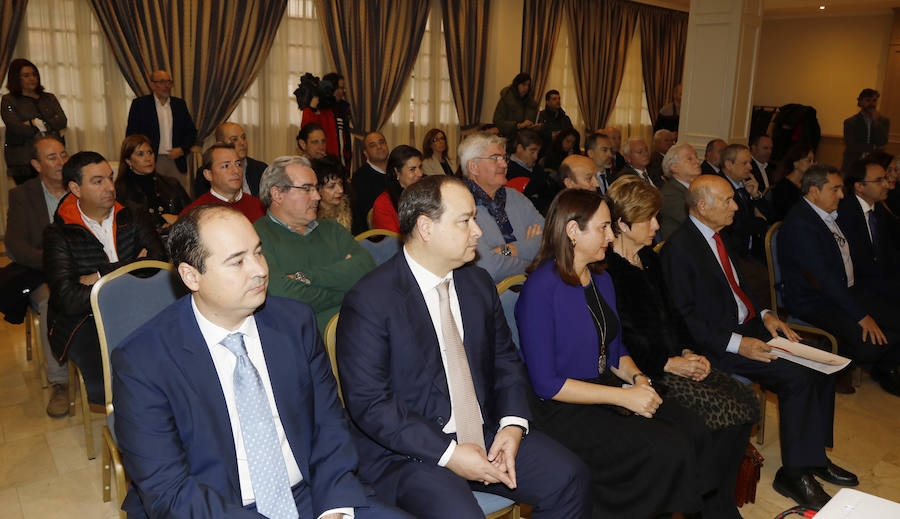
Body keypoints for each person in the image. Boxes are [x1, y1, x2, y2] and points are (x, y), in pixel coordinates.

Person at [112, 204, 408, 519]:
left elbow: (329, 424)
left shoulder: (294, 323)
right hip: (214, 509)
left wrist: (333, 508)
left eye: (258, 252)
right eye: (237, 261)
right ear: (191, 276)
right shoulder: (143, 360)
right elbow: (169, 491)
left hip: (313, 494)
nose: (259, 270)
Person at [337, 175, 592, 519]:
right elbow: (371, 404)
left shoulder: (476, 283)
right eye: (465, 221)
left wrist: (512, 424)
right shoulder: (370, 300)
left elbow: (505, 361)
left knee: (569, 478)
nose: (478, 231)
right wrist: (450, 455)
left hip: (483, 432)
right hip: (409, 451)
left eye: (475, 218)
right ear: (426, 228)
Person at [516, 188, 716, 518]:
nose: (611, 235)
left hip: (605, 386)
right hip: (560, 407)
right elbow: (546, 385)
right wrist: (623, 398)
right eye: (603, 228)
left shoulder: (601, 278)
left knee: (692, 428)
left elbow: (616, 349)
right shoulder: (540, 289)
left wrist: (639, 379)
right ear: (572, 231)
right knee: (666, 449)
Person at [662, 174, 856, 509]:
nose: (735, 206)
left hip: (751, 325)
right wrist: (740, 344)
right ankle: (794, 475)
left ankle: (813, 458)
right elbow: (686, 319)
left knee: (822, 360)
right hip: (719, 343)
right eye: (727, 200)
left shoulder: (720, 235)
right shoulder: (680, 249)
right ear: (703, 205)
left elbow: (738, 285)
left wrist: (766, 313)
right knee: (797, 377)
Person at [604, 177, 758, 519]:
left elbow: (674, 313)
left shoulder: (648, 257)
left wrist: (687, 350)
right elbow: (620, 338)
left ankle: (718, 500)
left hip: (674, 358)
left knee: (744, 402)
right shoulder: (606, 270)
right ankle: (706, 507)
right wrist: (669, 363)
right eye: (649, 219)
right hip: (645, 370)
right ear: (622, 224)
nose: (657, 226)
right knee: (715, 417)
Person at [44, 151, 164, 405]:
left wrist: (98, 276)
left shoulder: (133, 215)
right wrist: (131, 268)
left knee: (173, 364)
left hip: (140, 310)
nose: (110, 187)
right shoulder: (59, 233)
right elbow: (68, 299)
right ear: (75, 188)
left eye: (110, 178)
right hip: (85, 320)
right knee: (109, 384)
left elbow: (158, 268)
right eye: (98, 181)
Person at [779, 164, 900, 398]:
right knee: (872, 344)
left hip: (845, 290)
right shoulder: (801, 224)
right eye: (835, 189)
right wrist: (861, 316)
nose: (842, 195)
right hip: (814, 299)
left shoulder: (826, 214)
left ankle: (878, 365)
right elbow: (823, 279)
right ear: (814, 191)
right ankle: (829, 364)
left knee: (894, 321)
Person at [255, 156, 374, 332]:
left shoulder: (332, 228)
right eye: (307, 189)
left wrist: (303, 277)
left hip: (362, 326)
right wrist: (347, 288)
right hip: (304, 339)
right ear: (277, 194)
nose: (317, 196)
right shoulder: (257, 235)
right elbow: (281, 295)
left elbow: (367, 269)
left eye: (316, 188)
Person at [5, 136, 69, 416]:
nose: (61, 162)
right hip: (41, 272)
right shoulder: (23, 195)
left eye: (64, 155)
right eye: (52, 157)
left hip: (83, 268)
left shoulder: (78, 188)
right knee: (50, 302)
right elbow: (16, 246)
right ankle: (60, 382)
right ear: (36, 164)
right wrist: (55, 265)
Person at [459, 133, 544, 282]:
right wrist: (534, 261)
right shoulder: (459, 206)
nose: (504, 165)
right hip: (493, 297)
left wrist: (507, 250)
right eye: (495, 158)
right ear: (473, 167)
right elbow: (489, 267)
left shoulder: (514, 197)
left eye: (504, 158)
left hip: (532, 285)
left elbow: (550, 239)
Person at [836, 158, 900, 295]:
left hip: (881, 280)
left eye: (886, 179)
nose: (886, 185)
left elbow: (888, 251)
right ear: (859, 186)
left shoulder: (878, 208)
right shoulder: (845, 214)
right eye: (879, 181)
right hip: (860, 288)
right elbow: (858, 264)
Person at [125, 70, 197, 189]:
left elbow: (191, 132)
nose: (166, 86)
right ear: (152, 85)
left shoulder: (179, 104)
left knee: (179, 196)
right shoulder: (140, 105)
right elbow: (132, 134)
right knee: (152, 193)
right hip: (150, 159)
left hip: (176, 160)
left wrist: (182, 149)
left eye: (169, 82)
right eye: (162, 82)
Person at [1, 59, 67, 185]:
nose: (32, 78)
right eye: (26, 75)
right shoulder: (8, 101)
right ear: (16, 78)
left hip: (52, 157)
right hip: (23, 160)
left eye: (34, 74)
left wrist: (32, 123)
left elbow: (62, 122)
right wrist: (43, 125)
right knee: (30, 198)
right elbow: (15, 128)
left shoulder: (49, 98)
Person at [115, 134, 191, 236]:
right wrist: (161, 219)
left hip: (177, 237)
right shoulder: (120, 190)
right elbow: (126, 222)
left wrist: (176, 222)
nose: (148, 158)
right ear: (128, 161)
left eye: (150, 152)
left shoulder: (172, 183)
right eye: (140, 154)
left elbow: (191, 213)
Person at [193, 122, 268, 198]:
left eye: (244, 137)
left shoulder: (261, 168)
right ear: (221, 143)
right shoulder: (208, 172)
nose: (242, 143)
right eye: (234, 139)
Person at [506, 129, 559, 215]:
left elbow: (553, 187)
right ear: (519, 148)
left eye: (537, 152)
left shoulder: (535, 167)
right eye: (532, 151)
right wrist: (544, 185)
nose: (536, 156)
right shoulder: (509, 169)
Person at [372, 146, 424, 233]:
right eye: (412, 169)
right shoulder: (383, 204)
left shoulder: (426, 193)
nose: (420, 174)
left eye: (420, 167)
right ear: (396, 172)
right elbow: (391, 241)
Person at [659, 142, 703, 240]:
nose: (697, 161)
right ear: (674, 167)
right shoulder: (669, 193)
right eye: (689, 158)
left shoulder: (698, 187)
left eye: (696, 156)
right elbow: (698, 221)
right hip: (682, 246)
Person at [842, 88, 890, 172]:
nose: (871, 104)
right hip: (853, 163)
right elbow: (852, 145)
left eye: (874, 100)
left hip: (875, 164)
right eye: (868, 100)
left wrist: (876, 123)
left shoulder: (884, 121)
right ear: (860, 102)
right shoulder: (850, 122)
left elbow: (883, 142)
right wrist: (874, 147)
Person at [351, 132, 390, 234]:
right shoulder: (360, 177)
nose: (379, 147)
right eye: (373, 145)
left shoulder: (397, 170)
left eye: (382, 142)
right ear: (365, 153)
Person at [771, 144, 815, 222]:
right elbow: (789, 215)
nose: (812, 164)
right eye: (809, 160)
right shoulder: (783, 187)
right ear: (796, 163)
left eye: (813, 161)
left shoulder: (806, 184)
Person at [492, 72, 539, 137]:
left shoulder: (531, 103)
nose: (526, 88)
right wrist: (518, 126)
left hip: (527, 138)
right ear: (516, 85)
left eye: (528, 85)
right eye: (523, 84)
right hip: (509, 137)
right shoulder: (506, 99)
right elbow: (498, 121)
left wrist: (534, 126)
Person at [312, 158, 352, 232]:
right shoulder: (310, 217)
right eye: (331, 186)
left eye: (340, 183)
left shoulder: (348, 209)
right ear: (318, 189)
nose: (340, 190)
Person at [323, 72, 353, 168]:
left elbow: (345, 138)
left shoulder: (344, 107)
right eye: (339, 88)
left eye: (343, 88)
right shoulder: (321, 110)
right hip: (326, 161)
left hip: (342, 162)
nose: (342, 91)